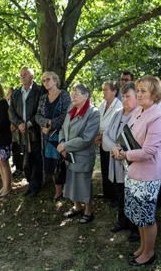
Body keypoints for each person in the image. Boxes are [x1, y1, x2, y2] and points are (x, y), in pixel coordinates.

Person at [118, 75, 161, 266]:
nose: (138, 94)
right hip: (133, 173)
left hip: (147, 176)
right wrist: (118, 147)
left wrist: (124, 155)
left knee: (146, 217)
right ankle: (142, 248)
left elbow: (149, 151)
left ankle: (149, 252)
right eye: (137, 90)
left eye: (143, 90)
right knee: (137, 214)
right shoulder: (139, 110)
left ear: (154, 94)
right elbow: (127, 134)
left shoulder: (157, 117)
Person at [57, 83, 100, 224]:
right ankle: (77, 207)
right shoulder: (71, 107)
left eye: (77, 93)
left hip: (83, 155)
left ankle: (88, 211)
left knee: (84, 183)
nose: (73, 96)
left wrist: (65, 146)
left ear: (86, 96)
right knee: (71, 180)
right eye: (72, 93)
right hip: (68, 154)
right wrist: (62, 144)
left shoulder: (93, 112)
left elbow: (87, 139)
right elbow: (63, 128)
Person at [103, 82, 140, 241]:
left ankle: (135, 228)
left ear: (136, 98)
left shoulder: (140, 114)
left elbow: (139, 140)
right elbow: (106, 135)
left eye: (128, 96)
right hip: (115, 159)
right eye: (123, 96)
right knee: (120, 193)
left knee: (133, 194)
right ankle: (122, 221)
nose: (125, 100)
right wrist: (114, 148)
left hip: (132, 163)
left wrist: (123, 152)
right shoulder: (117, 113)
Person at [35, 71, 71, 201]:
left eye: (48, 79)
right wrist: (46, 123)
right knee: (51, 163)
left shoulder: (64, 95)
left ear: (55, 80)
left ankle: (68, 190)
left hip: (61, 135)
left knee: (63, 163)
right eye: (43, 80)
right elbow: (37, 115)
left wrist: (51, 124)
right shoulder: (43, 98)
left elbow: (66, 113)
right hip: (47, 137)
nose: (45, 82)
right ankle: (58, 191)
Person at [9, 67, 43, 197]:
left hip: (34, 131)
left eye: (25, 75)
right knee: (26, 159)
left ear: (32, 77)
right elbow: (11, 112)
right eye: (21, 75)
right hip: (21, 133)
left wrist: (29, 123)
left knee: (35, 158)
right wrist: (19, 124)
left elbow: (40, 111)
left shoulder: (39, 91)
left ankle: (36, 186)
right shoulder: (16, 93)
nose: (22, 77)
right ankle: (30, 183)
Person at [96, 81, 122, 205]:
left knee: (113, 168)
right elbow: (98, 120)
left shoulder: (119, 106)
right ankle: (107, 192)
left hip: (112, 140)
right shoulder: (103, 103)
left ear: (114, 91)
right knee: (104, 166)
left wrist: (102, 135)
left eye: (106, 89)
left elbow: (114, 126)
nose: (104, 92)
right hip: (102, 139)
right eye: (103, 89)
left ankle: (115, 196)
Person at [7, 87, 24, 179]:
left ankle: (20, 169)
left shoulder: (15, 103)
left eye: (9, 92)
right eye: (7, 93)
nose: (8, 94)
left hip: (17, 131)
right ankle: (17, 168)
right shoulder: (8, 103)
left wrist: (14, 126)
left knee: (18, 150)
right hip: (11, 133)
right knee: (14, 151)